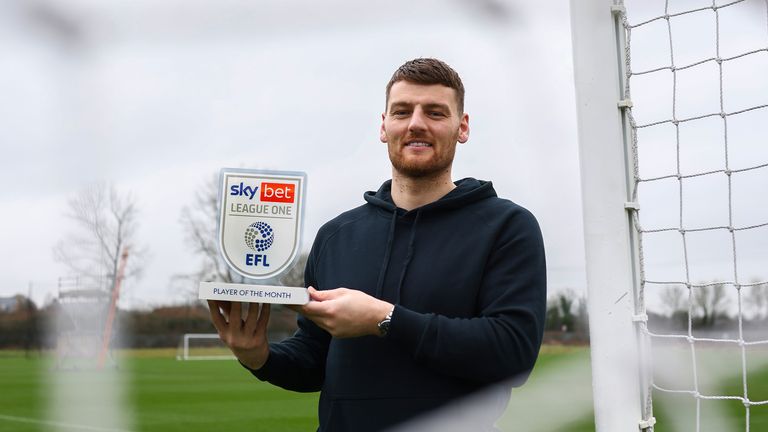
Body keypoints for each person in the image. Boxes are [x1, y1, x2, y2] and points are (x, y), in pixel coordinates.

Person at [208, 58, 547, 431]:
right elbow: (315, 358)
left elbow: (513, 354)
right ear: (384, 126)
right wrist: (259, 357)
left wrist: (384, 319)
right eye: (402, 111)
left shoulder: (507, 226)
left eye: (435, 112)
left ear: (461, 127)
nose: (416, 123)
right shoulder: (336, 235)